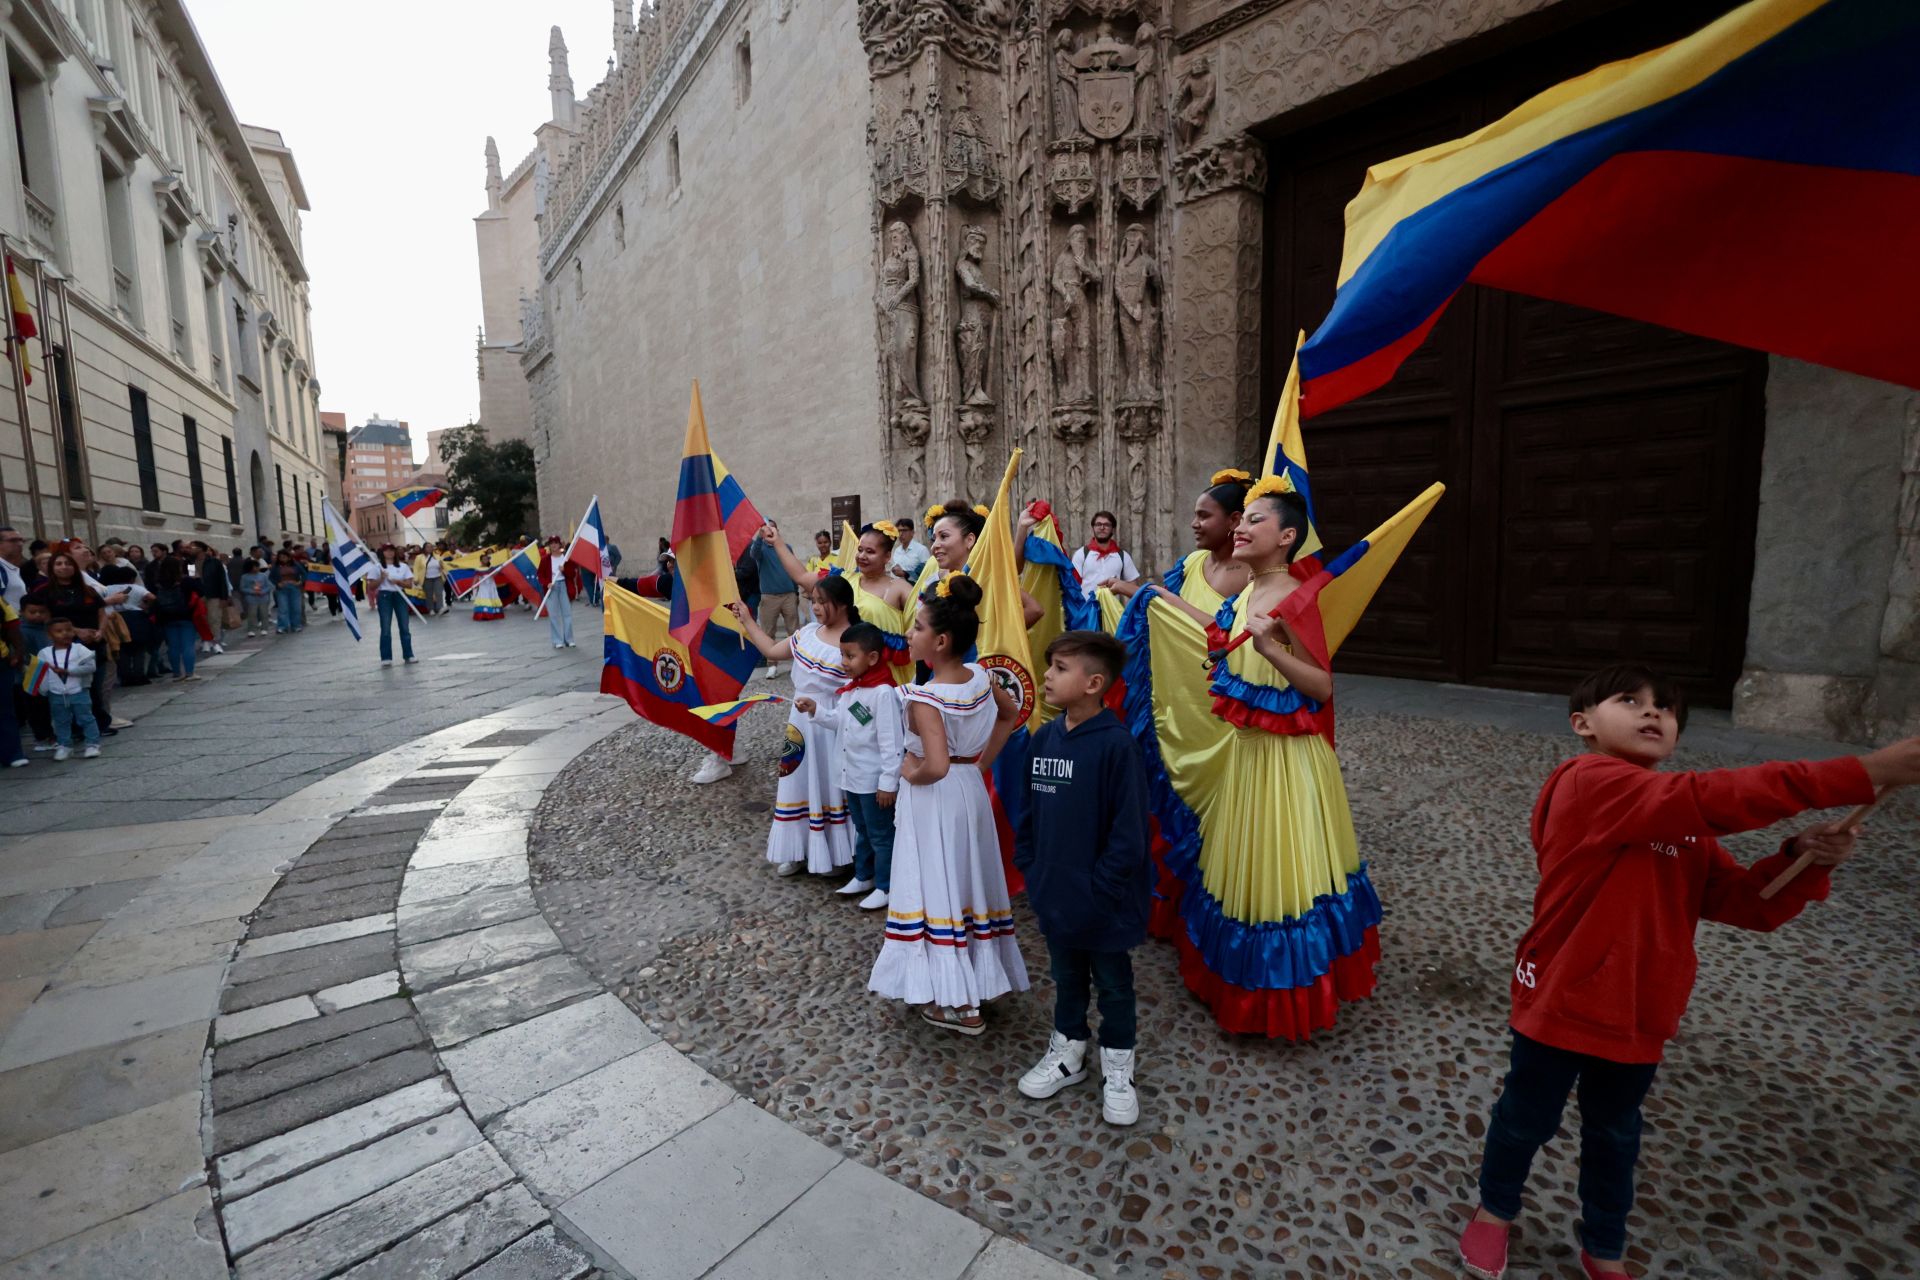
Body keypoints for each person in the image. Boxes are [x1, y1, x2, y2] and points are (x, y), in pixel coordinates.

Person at [1458, 667, 1920, 1280]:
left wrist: (1802, 859)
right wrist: (1864, 772)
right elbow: (1704, 798)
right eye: (1631, 701)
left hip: (1640, 1011)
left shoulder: (1685, 829)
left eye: (1667, 710)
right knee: (1525, 1118)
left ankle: (1604, 1245)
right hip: (1559, 1000)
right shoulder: (1586, 782)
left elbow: (1746, 904)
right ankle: (1493, 1212)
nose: (1654, 713)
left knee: (1616, 1137)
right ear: (1583, 725)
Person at [1135, 480, 1372, 1038]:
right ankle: (1241, 987)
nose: (1240, 528)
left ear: (1287, 537)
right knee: (1245, 871)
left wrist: (1271, 649)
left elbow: (1320, 687)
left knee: (1278, 875)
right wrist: (1155, 596)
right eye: (1241, 520)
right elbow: (1219, 637)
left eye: (1255, 521)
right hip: (1247, 759)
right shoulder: (1249, 592)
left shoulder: (1297, 596)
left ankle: (1279, 1000)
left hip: (1285, 764)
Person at [867, 574, 1028, 1035]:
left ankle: (958, 1004)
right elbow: (1010, 713)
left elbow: (934, 765)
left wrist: (906, 773)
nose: (910, 633)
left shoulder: (925, 697)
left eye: (916, 627)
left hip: (936, 797)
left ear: (938, 641)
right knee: (968, 880)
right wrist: (980, 765)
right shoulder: (979, 675)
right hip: (969, 789)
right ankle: (980, 978)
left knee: (936, 883)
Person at [1014, 630, 1151, 1123]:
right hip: (1055, 892)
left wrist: (1102, 889)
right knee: (1066, 975)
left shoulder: (1117, 747)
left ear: (1094, 683)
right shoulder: (1044, 738)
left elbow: (1129, 832)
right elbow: (1025, 811)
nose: (1047, 675)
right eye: (1049, 665)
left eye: (1060, 668)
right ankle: (1068, 1049)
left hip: (1104, 901)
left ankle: (1119, 1064)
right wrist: (1033, 869)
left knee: (1113, 984)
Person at [726, 575, 860, 877]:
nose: (816, 607)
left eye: (822, 602)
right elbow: (773, 651)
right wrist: (747, 620)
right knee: (796, 781)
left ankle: (834, 854)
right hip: (799, 723)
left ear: (843, 605)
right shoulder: (807, 633)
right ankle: (796, 849)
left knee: (828, 782)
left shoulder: (854, 640)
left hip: (832, 722)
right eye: (813, 601)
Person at [792, 621, 901, 910]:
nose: (844, 663)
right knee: (862, 829)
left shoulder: (883, 693)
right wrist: (816, 711)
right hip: (851, 775)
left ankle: (886, 885)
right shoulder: (852, 690)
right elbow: (840, 720)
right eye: (842, 655)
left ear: (873, 658)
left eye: (850, 656)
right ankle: (863, 875)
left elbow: (892, 744)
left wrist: (888, 782)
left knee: (880, 834)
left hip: (872, 779)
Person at [760, 521, 914, 685]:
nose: (862, 556)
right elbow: (802, 578)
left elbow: (918, 634)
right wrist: (777, 542)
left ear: (887, 556)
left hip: (883, 679)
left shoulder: (900, 589)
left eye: (870, 552)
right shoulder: (844, 578)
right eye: (860, 550)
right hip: (843, 674)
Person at [39, 616, 100, 760]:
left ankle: (92, 744)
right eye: (59, 631)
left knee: (85, 717)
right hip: (56, 692)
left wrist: (68, 671)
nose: (65, 633)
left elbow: (90, 667)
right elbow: (40, 674)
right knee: (60, 720)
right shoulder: (45, 653)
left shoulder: (79, 649)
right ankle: (64, 745)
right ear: (50, 635)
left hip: (78, 690)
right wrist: (43, 690)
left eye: (68, 630)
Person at [752, 521, 801, 680]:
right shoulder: (761, 549)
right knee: (768, 632)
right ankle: (772, 665)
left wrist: (796, 591)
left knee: (794, 631)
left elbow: (792, 568)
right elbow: (753, 554)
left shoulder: (787, 547)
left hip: (789, 594)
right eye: (767, 528)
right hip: (769, 596)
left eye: (772, 527)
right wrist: (760, 538)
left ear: (777, 530)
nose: (770, 530)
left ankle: (799, 663)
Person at [150, 556, 203, 682]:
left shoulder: (158, 583)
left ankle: (177, 673)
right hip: (185, 615)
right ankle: (190, 673)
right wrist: (196, 578)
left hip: (166, 617)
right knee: (188, 645)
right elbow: (201, 592)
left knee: (173, 646)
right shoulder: (186, 581)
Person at [368, 545, 417, 666]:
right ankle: (386, 656)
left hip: (400, 595)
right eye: (387, 550)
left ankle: (408, 654)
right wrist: (381, 578)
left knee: (404, 626)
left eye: (392, 550)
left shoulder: (403, 566)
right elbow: (371, 586)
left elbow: (409, 584)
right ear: (382, 552)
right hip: (385, 596)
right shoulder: (377, 567)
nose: (389, 553)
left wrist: (398, 582)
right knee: (385, 627)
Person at [1070, 511, 1138, 592]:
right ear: (1093, 528)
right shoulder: (1081, 554)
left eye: (1107, 525)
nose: (1102, 528)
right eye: (1098, 524)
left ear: (1113, 529)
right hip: (1086, 604)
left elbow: (1133, 586)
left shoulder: (1122, 556)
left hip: (1112, 604)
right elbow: (1072, 585)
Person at [270, 551, 305, 633]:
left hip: (294, 588)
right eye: (280, 557)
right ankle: (282, 626)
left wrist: (300, 582)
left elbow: (304, 574)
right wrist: (277, 584)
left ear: (289, 557)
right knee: (283, 608)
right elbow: (271, 577)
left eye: (284, 557)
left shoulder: (295, 564)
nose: (282, 559)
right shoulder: (276, 567)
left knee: (296, 608)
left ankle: (296, 625)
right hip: (282, 589)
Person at [890, 514, 930, 581]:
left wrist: (905, 574)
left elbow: (927, 574)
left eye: (904, 530)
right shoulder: (897, 551)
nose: (900, 534)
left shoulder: (921, 550)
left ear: (912, 532)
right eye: (899, 531)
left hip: (915, 589)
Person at [239, 558, 272, 637]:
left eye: (257, 566)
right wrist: (252, 592)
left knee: (264, 613)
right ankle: (251, 629)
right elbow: (242, 588)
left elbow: (268, 586)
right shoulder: (244, 577)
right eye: (255, 567)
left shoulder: (263, 576)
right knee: (252, 614)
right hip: (251, 598)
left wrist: (263, 592)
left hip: (263, 597)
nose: (257, 568)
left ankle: (264, 628)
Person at [470, 552, 504, 621]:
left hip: (491, 586)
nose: (485, 560)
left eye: (486, 559)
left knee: (492, 598)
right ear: (481, 560)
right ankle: (484, 615)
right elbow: (476, 578)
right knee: (484, 599)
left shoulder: (490, 569)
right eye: (484, 559)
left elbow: (494, 575)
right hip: (483, 587)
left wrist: (499, 568)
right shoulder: (478, 569)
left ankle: (493, 614)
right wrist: (473, 586)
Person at [421, 543, 446, 616]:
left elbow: (442, 566)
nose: (430, 548)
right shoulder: (420, 557)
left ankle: (440, 608)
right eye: (428, 547)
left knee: (439, 593)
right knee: (429, 594)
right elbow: (417, 569)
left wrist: (442, 567)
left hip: (437, 577)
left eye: (431, 547)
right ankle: (431, 609)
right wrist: (416, 579)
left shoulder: (437, 556)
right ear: (424, 548)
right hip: (426, 578)